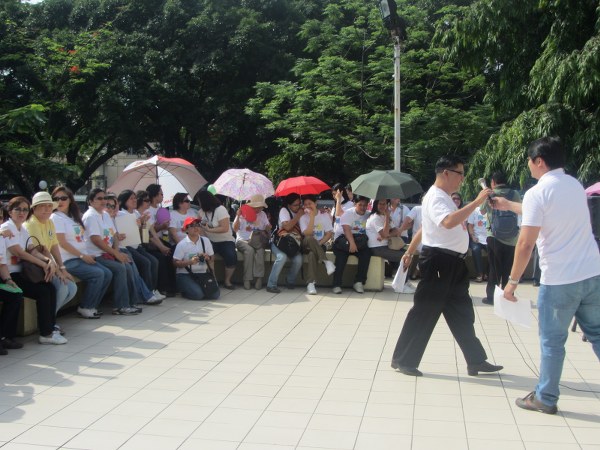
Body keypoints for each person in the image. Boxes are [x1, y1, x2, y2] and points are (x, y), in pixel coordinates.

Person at [497, 137, 600, 415]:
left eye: (529, 161)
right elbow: (547, 212)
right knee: (598, 335)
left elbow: (525, 244)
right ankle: (545, 395)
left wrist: (512, 283)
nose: (528, 165)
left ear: (539, 161)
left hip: (560, 280)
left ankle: (545, 397)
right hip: (592, 273)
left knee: (552, 342)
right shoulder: (575, 185)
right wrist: (509, 205)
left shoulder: (537, 193)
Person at [390, 155, 503, 377]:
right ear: (446, 173)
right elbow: (448, 222)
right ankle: (404, 360)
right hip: (439, 262)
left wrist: (410, 250)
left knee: (462, 313)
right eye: (460, 174)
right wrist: (476, 202)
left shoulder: (445, 198)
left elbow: (425, 228)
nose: (462, 179)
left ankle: (476, 360)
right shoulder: (435, 197)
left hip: (454, 263)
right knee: (424, 311)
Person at [1, 197, 66, 344]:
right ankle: (45, 334)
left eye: (25, 209)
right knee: (42, 292)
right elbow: (19, 252)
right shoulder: (7, 228)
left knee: (49, 288)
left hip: (22, 273)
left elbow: (32, 250)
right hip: (9, 274)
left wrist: (48, 261)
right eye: (18, 209)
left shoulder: (22, 228)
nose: (22, 212)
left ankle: (50, 329)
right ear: (10, 212)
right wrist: (43, 264)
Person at [51, 186, 112, 319]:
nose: (59, 201)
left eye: (63, 198)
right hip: (68, 260)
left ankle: (92, 306)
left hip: (80, 257)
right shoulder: (56, 217)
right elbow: (62, 243)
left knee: (107, 273)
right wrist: (82, 255)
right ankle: (86, 307)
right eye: (56, 199)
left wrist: (85, 255)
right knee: (98, 274)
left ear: (70, 200)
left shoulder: (73, 216)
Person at [82, 189, 140, 315]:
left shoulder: (105, 214)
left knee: (127, 263)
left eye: (104, 198)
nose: (103, 201)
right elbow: (96, 240)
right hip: (97, 255)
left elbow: (114, 235)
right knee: (120, 268)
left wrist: (117, 252)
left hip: (107, 253)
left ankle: (131, 302)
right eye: (99, 198)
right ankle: (120, 306)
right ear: (90, 201)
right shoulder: (90, 216)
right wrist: (116, 254)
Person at [25, 192, 78, 315]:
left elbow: (54, 247)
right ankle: (49, 322)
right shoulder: (32, 223)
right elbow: (43, 250)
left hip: (48, 265)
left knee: (72, 288)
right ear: (34, 208)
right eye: (42, 206)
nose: (47, 209)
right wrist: (58, 272)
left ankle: (50, 318)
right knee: (62, 287)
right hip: (36, 266)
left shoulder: (49, 222)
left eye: (49, 206)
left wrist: (63, 269)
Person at [105, 194, 162, 306]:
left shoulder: (121, 216)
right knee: (135, 267)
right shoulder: (111, 216)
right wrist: (117, 250)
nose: (114, 207)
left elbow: (141, 236)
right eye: (109, 205)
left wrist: (141, 224)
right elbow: (104, 239)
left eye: (115, 204)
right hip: (122, 248)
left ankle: (146, 294)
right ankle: (143, 296)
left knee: (141, 266)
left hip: (127, 247)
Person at [481, 172, 521, 304]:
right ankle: (507, 296)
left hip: (494, 237)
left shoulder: (490, 194)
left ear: (493, 182)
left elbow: (482, 210)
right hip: (512, 237)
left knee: (494, 268)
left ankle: (491, 297)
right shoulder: (514, 194)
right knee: (508, 269)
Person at [196, 190, 237, 289]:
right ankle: (213, 280)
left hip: (225, 240)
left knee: (231, 256)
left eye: (200, 201)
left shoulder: (220, 209)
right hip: (209, 240)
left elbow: (225, 228)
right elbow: (199, 228)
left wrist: (209, 230)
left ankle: (227, 281)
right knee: (207, 256)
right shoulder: (201, 212)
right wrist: (205, 240)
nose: (199, 204)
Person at [173, 217, 220, 300]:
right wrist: (190, 262)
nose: (196, 228)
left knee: (215, 295)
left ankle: (196, 288)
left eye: (198, 225)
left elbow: (212, 258)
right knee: (198, 295)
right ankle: (185, 290)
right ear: (186, 229)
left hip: (202, 273)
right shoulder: (182, 244)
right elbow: (175, 263)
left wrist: (207, 257)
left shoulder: (205, 241)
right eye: (192, 226)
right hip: (185, 274)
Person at [332, 195, 372, 294]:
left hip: (359, 241)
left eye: (365, 205)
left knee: (366, 253)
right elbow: (346, 230)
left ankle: (359, 282)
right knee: (341, 257)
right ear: (355, 204)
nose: (362, 207)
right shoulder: (348, 213)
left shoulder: (369, 214)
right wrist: (352, 243)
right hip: (343, 239)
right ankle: (336, 284)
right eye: (360, 205)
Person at [232, 194, 271, 290]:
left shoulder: (263, 214)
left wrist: (268, 227)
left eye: (261, 207)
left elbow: (267, 227)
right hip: (242, 240)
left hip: (257, 240)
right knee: (250, 251)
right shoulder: (242, 213)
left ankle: (259, 278)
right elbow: (235, 229)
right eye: (257, 207)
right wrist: (238, 215)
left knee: (260, 251)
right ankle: (247, 279)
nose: (259, 209)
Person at [267, 193, 304, 294]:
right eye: (295, 205)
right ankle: (271, 285)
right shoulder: (284, 210)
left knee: (298, 259)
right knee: (281, 257)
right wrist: (298, 216)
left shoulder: (301, 211)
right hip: (279, 242)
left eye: (299, 204)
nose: (298, 207)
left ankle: (290, 280)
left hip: (292, 243)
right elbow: (287, 227)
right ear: (289, 205)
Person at [299, 195, 335, 295]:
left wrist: (318, 244)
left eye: (310, 203)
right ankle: (326, 262)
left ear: (315, 203)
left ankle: (311, 284)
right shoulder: (303, 218)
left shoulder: (324, 215)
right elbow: (307, 233)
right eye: (305, 204)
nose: (307, 206)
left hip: (320, 243)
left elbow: (329, 233)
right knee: (310, 238)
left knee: (312, 254)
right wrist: (311, 217)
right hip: (306, 243)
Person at [145, 184, 177, 296]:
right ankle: (164, 288)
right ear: (155, 195)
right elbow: (149, 231)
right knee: (163, 258)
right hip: (151, 242)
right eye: (161, 194)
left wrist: (165, 227)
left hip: (161, 239)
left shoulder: (161, 209)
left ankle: (173, 286)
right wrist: (161, 226)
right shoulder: (147, 210)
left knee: (172, 254)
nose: (163, 196)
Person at [0, 210, 23, 353]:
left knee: (15, 294)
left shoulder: (1, 238)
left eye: (0, 217)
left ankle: (6, 336)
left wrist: (8, 280)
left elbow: (2, 264)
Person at [467, 205, 488, 282]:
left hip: (489, 238)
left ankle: (487, 273)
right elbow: (470, 226)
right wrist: (473, 236)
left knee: (494, 251)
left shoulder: (492, 210)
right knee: (476, 250)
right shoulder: (474, 210)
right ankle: (480, 274)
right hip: (476, 238)